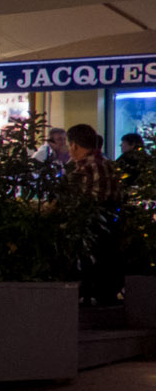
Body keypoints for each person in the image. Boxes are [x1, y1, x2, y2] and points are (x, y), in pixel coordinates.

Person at [68, 125, 125, 305]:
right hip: (110, 228)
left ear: (75, 145)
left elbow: (85, 203)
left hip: (89, 229)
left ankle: (86, 294)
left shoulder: (86, 167)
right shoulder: (108, 163)